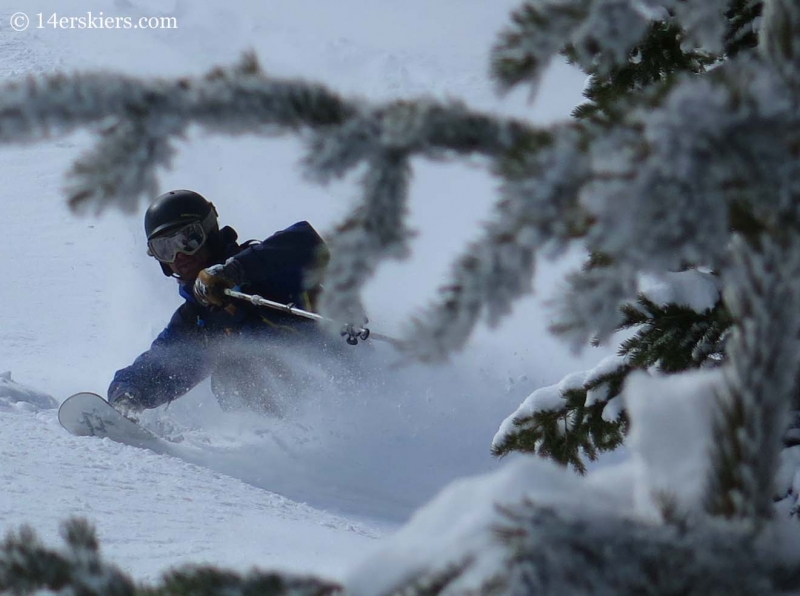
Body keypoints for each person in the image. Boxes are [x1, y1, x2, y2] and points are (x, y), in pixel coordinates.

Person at [108, 189, 336, 418]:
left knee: (239, 358)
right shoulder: (198, 320)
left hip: (338, 381)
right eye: (165, 249)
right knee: (231, 364)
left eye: (188, 240)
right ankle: (265, 434)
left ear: (209, 233)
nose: (179, 256)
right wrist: (127, 396)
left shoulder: (264, 268)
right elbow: (158, 366)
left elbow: (307, 244)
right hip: (289, 429)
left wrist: (235, 271)